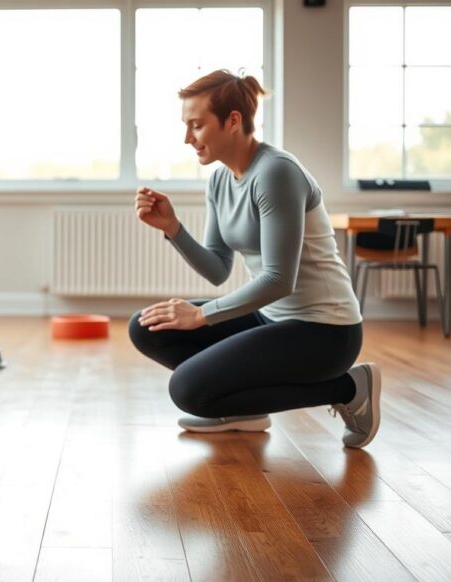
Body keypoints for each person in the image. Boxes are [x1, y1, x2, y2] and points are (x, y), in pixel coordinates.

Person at [129, 70, 381, 448]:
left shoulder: (276, 173)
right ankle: (245, 409)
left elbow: (280, 280)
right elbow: (218, 268)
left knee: (188, 390)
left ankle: (348, 387)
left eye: (196, 126)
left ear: (232, 121)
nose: (187, 138)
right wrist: (173, 228)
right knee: (146, 327)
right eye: (186, 126)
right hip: (272, 318)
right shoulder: (219, 179)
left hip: (325, 332)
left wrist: (200, 315)